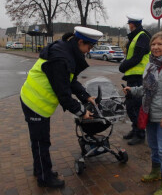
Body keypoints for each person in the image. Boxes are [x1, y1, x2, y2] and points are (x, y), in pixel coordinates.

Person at [20, 26, 103, 188]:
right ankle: (45, 178)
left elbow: (70, 80)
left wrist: (86, 96)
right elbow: (63, 94)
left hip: (38, 103)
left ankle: (41, 170)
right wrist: (82, 112)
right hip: (34, 102)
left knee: (40, 140)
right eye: (89, 47)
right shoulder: (61, 58)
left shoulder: (66, 50)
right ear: (80, 42)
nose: (88, 51)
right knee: (41, 141)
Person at [123, 31, 162, 195]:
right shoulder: (151, 64)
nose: (155, 47)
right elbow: (148, 88)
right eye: (153, 44)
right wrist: (133, 90)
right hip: (150, 113)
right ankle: (156, 172)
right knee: (154, 147)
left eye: (159, 44)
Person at [119, 14, 151, 145]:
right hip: (133, 76)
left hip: (139, 77)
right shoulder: (135, 36)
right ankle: (135, 129)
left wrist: (123, 66)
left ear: (134, 24)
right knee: (130, 106)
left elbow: (137, 57)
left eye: (129, 23)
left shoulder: (142, 36)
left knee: (136, 106)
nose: (128, 26)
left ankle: (140, 134)